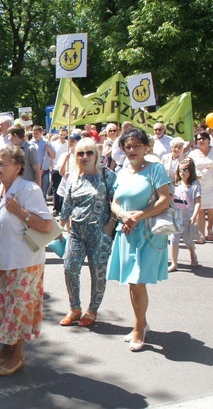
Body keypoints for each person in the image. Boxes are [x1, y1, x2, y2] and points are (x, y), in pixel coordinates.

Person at [0, 145, 54, 376]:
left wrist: (21, 212)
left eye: (3, 163)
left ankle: (16, 354)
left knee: (17, 312)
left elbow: (47, 226)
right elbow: (1, 224)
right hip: (0, 262)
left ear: (18, 167)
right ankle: (7, 347)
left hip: (25, 262)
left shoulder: (29, 190)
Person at [107, 128, 171, 352]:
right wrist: (123, 215)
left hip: (148, 233)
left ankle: (139, 326)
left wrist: (138, 216)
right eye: (128, 146)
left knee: (137, 280)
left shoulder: (155, 169)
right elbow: (114, 202)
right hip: (126, 231)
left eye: (136, 145)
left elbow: (164, 200)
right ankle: (141, 322)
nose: (132, 150)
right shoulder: (123, 172)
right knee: (133, 282)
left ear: (146, 147)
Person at [59, 138, 117, 327]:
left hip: (99, 232)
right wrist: (60, 227)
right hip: (76, 231)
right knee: (70, 268)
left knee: (97, 273)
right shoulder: (74, 175)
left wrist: (111, 225)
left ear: (96, 154)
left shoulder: (107, 175)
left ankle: (92, 310)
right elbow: (67, 203)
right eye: (80, 153)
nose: (85, 157)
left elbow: (118, 202)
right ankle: (75, 308)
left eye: (89, 152)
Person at [168, 158, 201, 272]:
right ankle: (174, 263)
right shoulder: (175, 184)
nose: (183, 172)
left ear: (191, 171)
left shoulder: (194, 185)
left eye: (186, 169)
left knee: (187, 240)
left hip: (188, 217)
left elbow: (197, 202)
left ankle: (192, 253)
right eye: (181, 170)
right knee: (174, 239)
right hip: (176, 216)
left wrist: (194, 215)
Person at [55, 134, 82, 218]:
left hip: (77, 187)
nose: (70, 142)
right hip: (65, 187)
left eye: (73, 141)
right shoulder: (64, 155)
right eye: (69, 140)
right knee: (65, 211)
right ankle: (67, 228)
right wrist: (65, 160)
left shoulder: (81, 156)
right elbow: (60, 172)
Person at [32, 126, 56, 198]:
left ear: (41, 133)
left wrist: (49, 149)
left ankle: (42, 205)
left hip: (44, 170)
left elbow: (53, 156)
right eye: (33, 134)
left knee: (43, 191)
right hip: (33, 171)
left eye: (37, 133)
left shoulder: (46, 143)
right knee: (33, 191)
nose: (35, 135)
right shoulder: (30, 143)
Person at [51, 128, 69, 214]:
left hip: (65, 169)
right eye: (61, 134)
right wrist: (51, 167)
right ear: (58, 134)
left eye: (64, 135)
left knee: (64, 188)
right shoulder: (53, 144)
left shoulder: (68, 144)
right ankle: (56, 208)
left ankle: (63, 207)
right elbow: (50, 156)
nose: (62, 136)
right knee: (55, 188)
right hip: (55, 168)